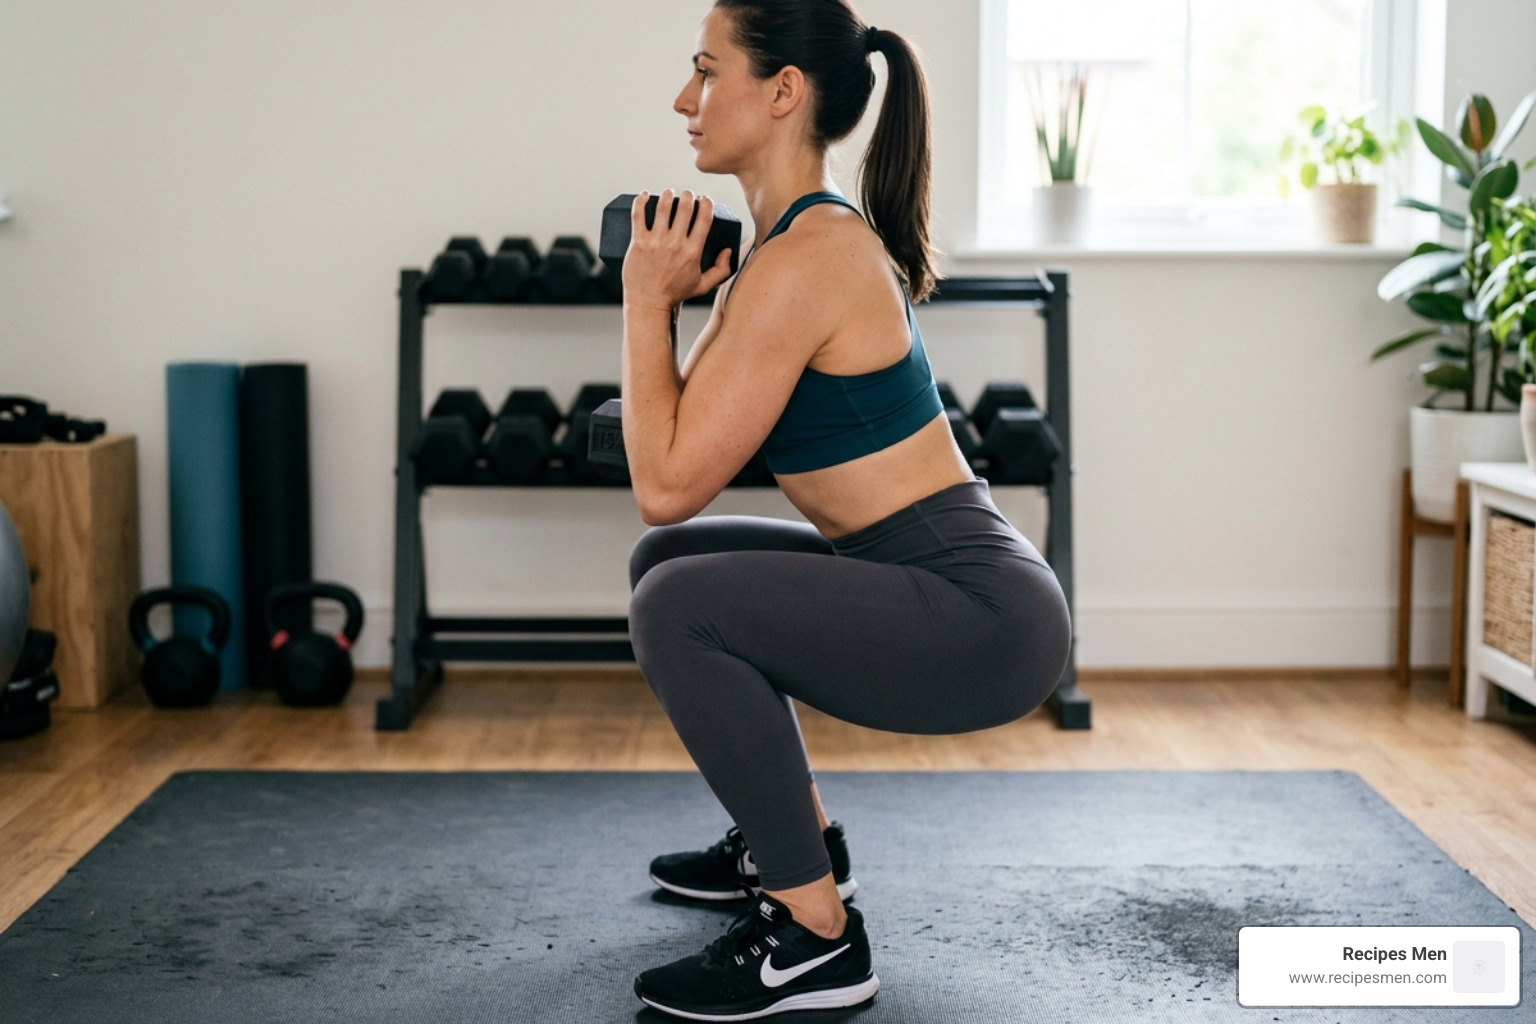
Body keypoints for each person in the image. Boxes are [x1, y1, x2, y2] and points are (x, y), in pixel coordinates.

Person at [619, 1, 1073, 1018]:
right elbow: (673, 460)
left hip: (982, 618)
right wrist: (672, 304)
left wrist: (645, 303)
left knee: (676, 605)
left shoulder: (809, 261)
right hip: (919, 578)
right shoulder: (781, 252)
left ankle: (815, 935)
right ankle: (794, 847)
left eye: (707, 71)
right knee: (668, 566)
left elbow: (664, 479)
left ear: (783, 91)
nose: (685, 99)